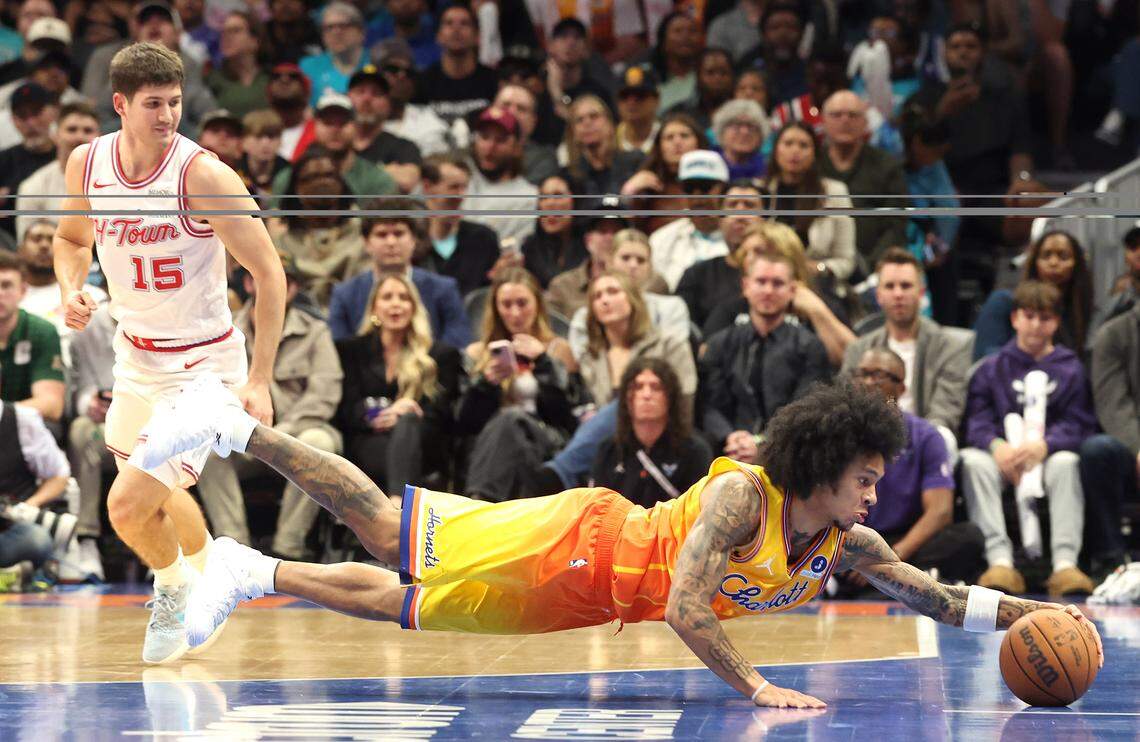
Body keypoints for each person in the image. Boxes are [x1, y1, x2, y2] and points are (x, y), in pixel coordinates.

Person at [137, 374, 1103, 708]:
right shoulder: (740, 503)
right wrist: (758, 686)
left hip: (589, 597)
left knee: (409, 605)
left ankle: (246, 567)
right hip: (586, 542)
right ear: (820, 468)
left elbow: (938, 597)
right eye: (864, 475)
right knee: (389, 530)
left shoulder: (842, 542)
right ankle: (228, 426)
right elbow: (685, 609)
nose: (876, 489)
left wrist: (1044, 614)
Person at [52, 41, 287, 664]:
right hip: (135, 361)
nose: (167, 116)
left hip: (204, 367)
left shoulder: (203, 174)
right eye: (153, 104)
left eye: (175, 103)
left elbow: (269, 274)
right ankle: (215, 570)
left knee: (127, 506)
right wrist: (72, 287)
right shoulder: (87, 161)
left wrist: (259, 379)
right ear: (120, 104)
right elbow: (71, 237)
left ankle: (175, 584)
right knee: (158, 493)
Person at [193, 257, 344, 554]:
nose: (272, 286)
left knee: (320, 442)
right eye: (259, 278)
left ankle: (289, 547)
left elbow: (324, 394)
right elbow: (209, 388)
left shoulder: (315, 332)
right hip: (241, 436)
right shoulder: (223, 332)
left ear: (293, 288)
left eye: (282, 280)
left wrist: (281, 434)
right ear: (249, 284)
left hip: (299, 433)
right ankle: (234, 549)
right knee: (207, 449)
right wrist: (245, 431)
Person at [960, 281, 1097, 598]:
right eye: (1029, 315)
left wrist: (1046, 445)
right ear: (1015, 318)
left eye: (1045, 317)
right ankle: (1000, 562)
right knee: (973, 462)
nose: (1036, 325)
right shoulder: (992, 368)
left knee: (1067, 463)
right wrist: (997, 447)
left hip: (1047, 456)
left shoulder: (1071, 368)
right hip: (1002, 458)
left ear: (1056, 321)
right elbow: (977, 420)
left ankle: (1065, 564)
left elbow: (1081, 423)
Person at [839, 348, 985, 595]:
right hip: (853, 535)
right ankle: (909, 579)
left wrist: (892, 555)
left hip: (904, 539)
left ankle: (881, 577)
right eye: (862, 374)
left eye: (878, 375)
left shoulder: (926, 436)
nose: (867, 382)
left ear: (901, 388)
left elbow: (940, 511)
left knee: (969, 537)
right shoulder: (835, 431)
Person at [336, 272, 460, 506]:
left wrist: (406, 414)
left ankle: (395, 504)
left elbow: (442, 413)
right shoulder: (351, 351)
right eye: (387, 297)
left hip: (422, 444)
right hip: (369, 439)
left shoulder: (439, 355)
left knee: (408, 421)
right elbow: (347, 408)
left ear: (414, 308)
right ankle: (401, 510)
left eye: (404, 298)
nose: (396, 304)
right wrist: (384, 412)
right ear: (374, 308)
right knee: (388, 448)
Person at [699, 251, 833, 464]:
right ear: (746, 286)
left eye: (777, 283)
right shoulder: (720, 343)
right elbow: (709, 405)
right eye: (761, 282)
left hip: (788, 455)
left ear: (792, 290)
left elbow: (805, 408)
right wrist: (730, 437)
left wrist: (762, 442)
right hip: (727, 452)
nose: (768, 290)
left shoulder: (810, 347)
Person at [841, 248, 973, 460]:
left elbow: (945, 412)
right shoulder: (859, 349)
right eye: (890, 286)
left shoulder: (951, 346)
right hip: (869, 440)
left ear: (921, 293)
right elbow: (846, 406)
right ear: (879, 295)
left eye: (906, 285)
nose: (898, 294)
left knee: (943, 439)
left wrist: (915, 442)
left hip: (927, 436)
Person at [327, 199, 471, 348]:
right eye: (382, 235)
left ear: (414, 239)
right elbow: (339, 351)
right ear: (366, 243)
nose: (391, 242)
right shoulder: (345, 294)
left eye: (399, 233)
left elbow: (458, 346)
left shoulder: (444, 289)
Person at [590, 358, 713, 508]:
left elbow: (699, 513)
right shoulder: (608, 451)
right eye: (637, 387)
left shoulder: (695, 452)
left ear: (670, 397)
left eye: (656, 387)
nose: (646, 395)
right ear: (626, 400)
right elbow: (597, 511)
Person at [575, 271, 696, 419]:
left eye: (613, 292)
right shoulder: (590, 356)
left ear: (633, 299)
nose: (604, 300)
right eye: (597, 296)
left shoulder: (669, 345)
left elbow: (684, 400)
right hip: (605, 438)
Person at [818, 91, 909, 274]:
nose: (845, 120)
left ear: (865, 122)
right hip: (820, 267)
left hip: (874, 267)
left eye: (853, 115)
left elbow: (895, 225)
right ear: (823, 122)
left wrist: (872, 266)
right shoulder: (811, 165)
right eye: (836, 115)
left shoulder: (887, 165)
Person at [1080, 301, 1140, 576]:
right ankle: (1110, 562)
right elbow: (1112, 405)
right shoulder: (1114, 333)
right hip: (1130, 448)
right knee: (1098, 450)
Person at [973, 230, 1094, 361]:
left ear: (1077, 264)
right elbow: (985, 359)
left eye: (1063, 256)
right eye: (1046, 256)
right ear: (1034, 262)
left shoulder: (1081, 311)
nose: (1053, 263)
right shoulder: (1004, 301)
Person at [764, 121, 856, 286]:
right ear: (776, 150)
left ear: (815, 154)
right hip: (767, 281)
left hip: (817, 284)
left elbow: (846, 261)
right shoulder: (761, 190)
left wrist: (818, 268)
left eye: (804, 145)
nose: (795, 151)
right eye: (788, 143)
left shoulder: (835, 193)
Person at [675, 181, 765, 329]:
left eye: (749, 205)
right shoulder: (696, 275)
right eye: (732, 205)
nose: (740, 214)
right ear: (720, 219)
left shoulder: (782, 275)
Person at [14, 102, 100, 242]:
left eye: (88, 131)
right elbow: (28, 248)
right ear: (55, 136)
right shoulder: (33, 187)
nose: (80, 137)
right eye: (72, 130)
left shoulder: (119, 181)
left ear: (100, 138)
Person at [418, 154, 500, 298]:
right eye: (454, 187)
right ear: (427, 187)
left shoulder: (483, 239)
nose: (461, 195)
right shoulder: (409, 240)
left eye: (464, 187)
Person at [649, 149, 730, 292]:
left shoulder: (740, 238)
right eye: (690, 188)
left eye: (705, 188)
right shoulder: (662, 240)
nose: (697, 197)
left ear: (724, 190)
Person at [0, 250, 65, 423]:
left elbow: (52, 405)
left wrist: (3, 414)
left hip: (28, 426)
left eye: (6, 285)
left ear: (22, 291)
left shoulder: (42, 331)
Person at [521, 174, 588, 289]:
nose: (550, 203)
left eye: (558, 196)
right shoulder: (529, 248)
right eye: (543, 197)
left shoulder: (589, 243)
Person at [299, 2, 368, 107]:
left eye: (343, 26)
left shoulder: (378, 61)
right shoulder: (308, 67)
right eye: (329, 27)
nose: (336, 32)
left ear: (361, 32)